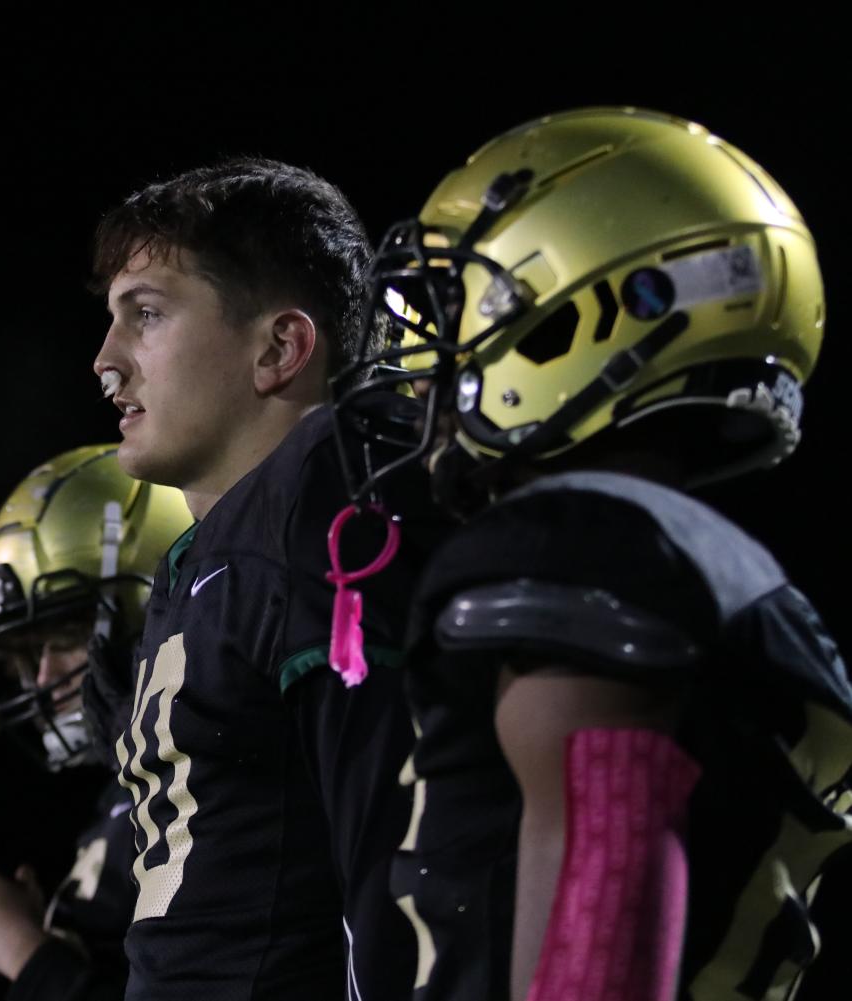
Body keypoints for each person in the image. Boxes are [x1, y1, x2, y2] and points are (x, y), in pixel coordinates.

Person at [332, 106, 852, 1000]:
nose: (423, 361)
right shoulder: (713, 570)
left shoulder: (581, 543)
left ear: (595, 309)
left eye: (460, 303)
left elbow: (601, 897)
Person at [89, 157, 442, 999]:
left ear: (280, 346)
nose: (106, 361)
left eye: (145, 315)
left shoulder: (318, 502)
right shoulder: (204, 555)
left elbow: (394, 869)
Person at [0, 445, 191, 1000]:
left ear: (150, 608)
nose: (41, 680)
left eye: (64, 639)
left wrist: (23, 953)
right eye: (26, 656)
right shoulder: (133, 785)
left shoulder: (204, 783)